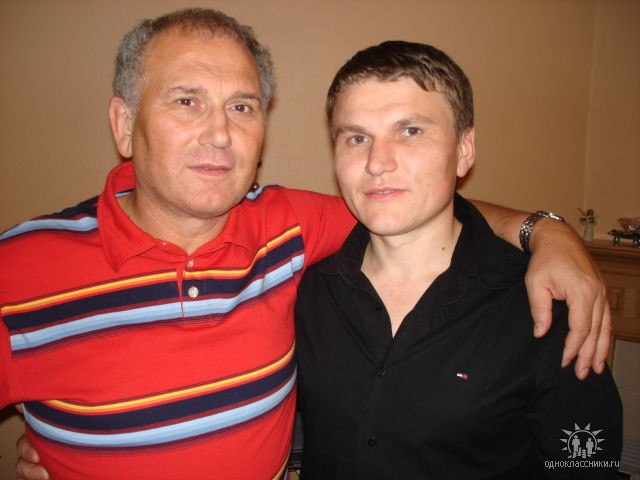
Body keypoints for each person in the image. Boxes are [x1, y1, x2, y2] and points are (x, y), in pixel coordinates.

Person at [1, 8, 609, 480]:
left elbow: (590, 463)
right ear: (123, 124)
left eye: (242, 106)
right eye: (187, 101)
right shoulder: (19, 270)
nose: (219, 133)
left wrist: (546, 230)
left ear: (464, 149)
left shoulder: (291, 240)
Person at [294, 41, 622, 479]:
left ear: (465, 150)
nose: (377, 162)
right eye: (357, 137)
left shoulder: (544, 303)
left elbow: (588, 463)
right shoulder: (303, 288)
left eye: (411, 131)